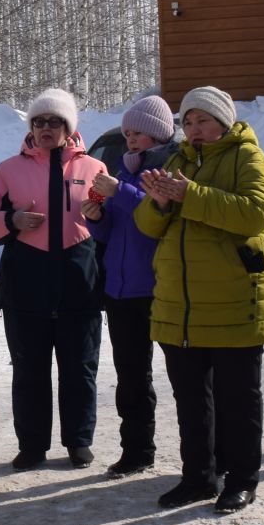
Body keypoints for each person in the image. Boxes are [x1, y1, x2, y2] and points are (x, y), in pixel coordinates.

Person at [134, 85, 264, 515]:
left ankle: (241, 479)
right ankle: (197, 476)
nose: (194, 129)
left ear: (224, 121)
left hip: (234, 300)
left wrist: (189, 196)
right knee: (192, 401)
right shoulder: (176, 161)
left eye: (203, 121)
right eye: (188, 122)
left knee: (238, 399)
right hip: (182, 305)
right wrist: (159, 203)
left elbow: (255, 213)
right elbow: (147, 226)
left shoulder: (247, 157)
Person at [0, 88, 107, 471]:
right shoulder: (9, 169)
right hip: (26, 283)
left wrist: (99, 218)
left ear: (69, 128)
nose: (45, 128)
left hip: (77, 280)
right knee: (29, 369)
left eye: (54, 122)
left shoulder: (93, 169)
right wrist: (11, 221)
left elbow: (112, 223)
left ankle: (79, 441)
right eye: (38, 121)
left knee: (80, 367)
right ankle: (32, 445)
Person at [82, 93, 176, 477]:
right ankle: (137, 449)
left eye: (140, 133)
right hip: (121, 291)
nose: (132, 139)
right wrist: (96, 218)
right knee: (131, 377)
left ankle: (202, 453)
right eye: (128, 132)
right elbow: (115, 231)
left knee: (185, 378)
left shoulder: (168, 170)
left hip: (159, 288)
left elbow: (153, 217)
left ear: (158, 135)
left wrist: (118, 194)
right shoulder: (123, 171)